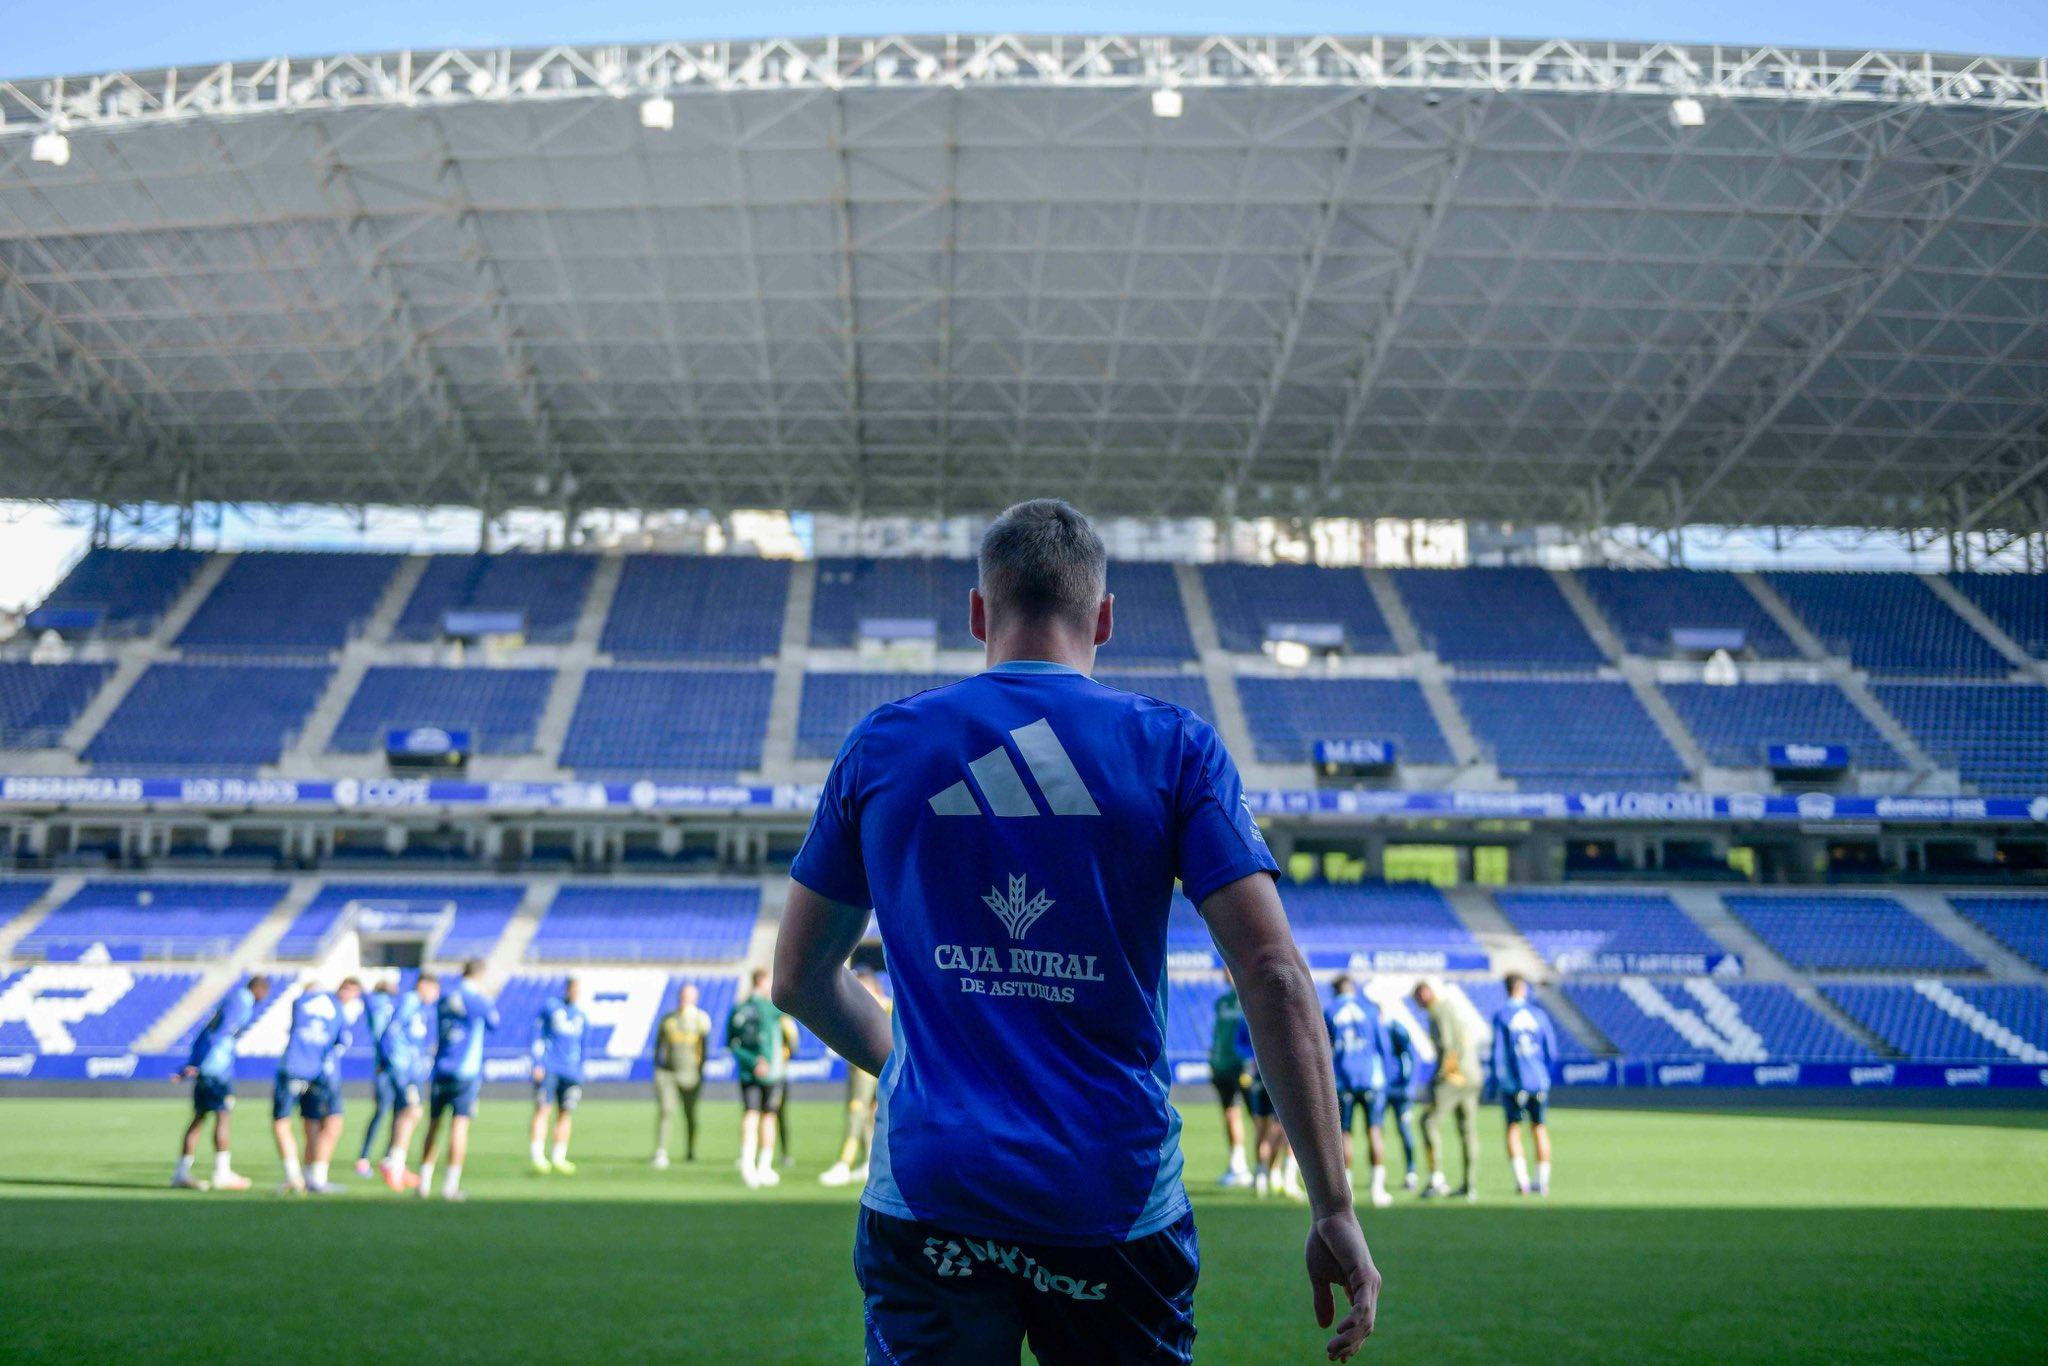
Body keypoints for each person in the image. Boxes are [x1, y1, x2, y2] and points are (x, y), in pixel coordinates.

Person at [773, 499, 1380, 1364]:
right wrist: (1332, 1207)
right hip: (1113, 1198)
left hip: (932, 1187)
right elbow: (1274, 974)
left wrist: (911, 1062)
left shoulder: (883, 746)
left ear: (979, 613)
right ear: (1103, 618)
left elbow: (797, 976)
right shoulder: (1174, 748)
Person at [172, 974, 272, 1191]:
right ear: (259, 989)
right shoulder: (242, 1001)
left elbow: (207, 1032)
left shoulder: (234, 999)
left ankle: (181, 1172)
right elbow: (220, 1032)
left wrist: (193, 1063)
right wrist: (197, 1063)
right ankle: (222, 1172)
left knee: (199, 1118)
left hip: (207, 1066)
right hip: (216, 1069)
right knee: (223, 1116)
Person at [271, 977, 362, 1196]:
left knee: (297, 1123)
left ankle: (299, 1175)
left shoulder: (301, 1003)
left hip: (294, 1068)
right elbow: (342, 1041)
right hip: (319, 1073)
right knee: (325, 1121)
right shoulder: (335, 1010)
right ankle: (312, 1177)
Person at [418, 959, 498, 1203]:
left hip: (441, 1068)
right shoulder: (478, 1001)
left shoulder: (445, 998)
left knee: (433, 1125)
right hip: (465, 1071)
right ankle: (450, 1186)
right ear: (480, 975)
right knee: (459, 1127)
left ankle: (423, 1183)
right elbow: (495, 1022)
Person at [1324, 975, 1394, 1209]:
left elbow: (1325, 1048)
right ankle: (1378, 1189)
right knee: (1374, 1130)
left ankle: (1348, 1192)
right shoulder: (1370, 1010)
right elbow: (1383, 1046)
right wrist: (1387, 1077)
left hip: (1343, 1080)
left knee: (1345, 1133)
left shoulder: (1330, 1011)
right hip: (1371, 1079)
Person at [820, 968, 892, 1187]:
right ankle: (870, 1161)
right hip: (886, 1067)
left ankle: (844, 1163)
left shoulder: (876, 1004)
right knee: (873, 1115)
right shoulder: (889, 1004)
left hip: (865, 1068)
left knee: (857, 1112)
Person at [1490, 972, 1560, 1197]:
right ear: (1522, 988)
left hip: (1514, 1083)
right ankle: (1543, 1182)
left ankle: (1523, 1182)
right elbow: (1552, 1052)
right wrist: (1543, 1075)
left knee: (1513, 1129)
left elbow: (1498, 1054)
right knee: (1539, 1128)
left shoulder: (1502, 1016)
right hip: (1538, 1081)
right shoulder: (1538, 1015)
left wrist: (1495, 1082)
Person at [1412, 980, 1479, 1201]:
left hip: (1454, 1076)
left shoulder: (1438, 1012)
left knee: (1428, 1121)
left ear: (1425, 993)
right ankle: (1470, 1185)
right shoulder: (1451, 1008)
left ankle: (1435, 1178)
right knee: (1467, 1129)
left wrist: (1439, 1077)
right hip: (1473, 1074)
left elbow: (1447, 1046)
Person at [376, 973, 439, 1191]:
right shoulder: (410, 1001)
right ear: (424, 985)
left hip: (412, 1068)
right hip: (402, 1067)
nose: (435, 995)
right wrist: (389, 1059)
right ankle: (394, 1164)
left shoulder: (420, 1007)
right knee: (413, 1111)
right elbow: (391, 1030)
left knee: (405, 1112)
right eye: (433, 990)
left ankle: (395, 1163)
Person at [726, 966, 788, 1188]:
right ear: (761, 982)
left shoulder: (738, 1009)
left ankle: (748, 1164)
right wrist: (760, 1061)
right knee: (768, 1116)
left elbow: (731, 1043)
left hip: (747, 1070)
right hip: (770, 1072)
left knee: (751, 1115)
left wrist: (750, 1062)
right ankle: (763, 1165)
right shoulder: (768, 1008)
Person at [529, 977, 588, 1175]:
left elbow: (583, 1046)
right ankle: (537, 1155)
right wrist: (537, 1063)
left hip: (571, 1072)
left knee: (565, 1112)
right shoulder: (551, 1008)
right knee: (543, 1109)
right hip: (550, 1068)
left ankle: (559, 1156)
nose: (577, 993)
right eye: (575, 989)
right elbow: (536, 1033)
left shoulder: (581, 1016)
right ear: (568, 989)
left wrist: (581, 1070)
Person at [652, 982, 712, 1167]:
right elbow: (658, 1046)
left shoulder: (701, 1020)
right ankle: (661, 1151)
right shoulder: (669, 1020)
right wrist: (659, 1069)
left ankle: (690, 1150)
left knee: (690, 1114)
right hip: (669, 1074)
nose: (685, 1000)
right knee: (666, 1110)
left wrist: (700, 1071)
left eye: (689, 996)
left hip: (690, 1075)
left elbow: (705, 1048)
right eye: (683, 996)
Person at [1209, 967, 1252, 1187]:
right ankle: (1238, 1165)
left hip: (1246, 1066)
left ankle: (1269, 1168)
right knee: (1230, 1114)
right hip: (1223, 1066)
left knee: (1262, 1118)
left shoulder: (1251, 997)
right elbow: (1217, 1034)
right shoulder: (1222, 1001)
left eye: (1229, 967)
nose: (1226, 971)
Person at [355, 976, 401, 1179]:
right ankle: (366, 1157)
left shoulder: (390, 1005)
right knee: (384, 1112)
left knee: (396, 1113)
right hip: (385, 1067)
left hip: (391, 1067)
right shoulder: (379, 1004)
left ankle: (388, 1157)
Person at [1384, 1011, 1421, 1192]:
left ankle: (1411, 1172)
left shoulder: (1396, 1030)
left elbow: (1411, 1057)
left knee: (1404, 1129)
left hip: (1400, 1091)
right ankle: (1378, 1174)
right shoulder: (1373, 1028)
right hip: (1381, 1089)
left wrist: (1409, 1085)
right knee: (1374, 1130)